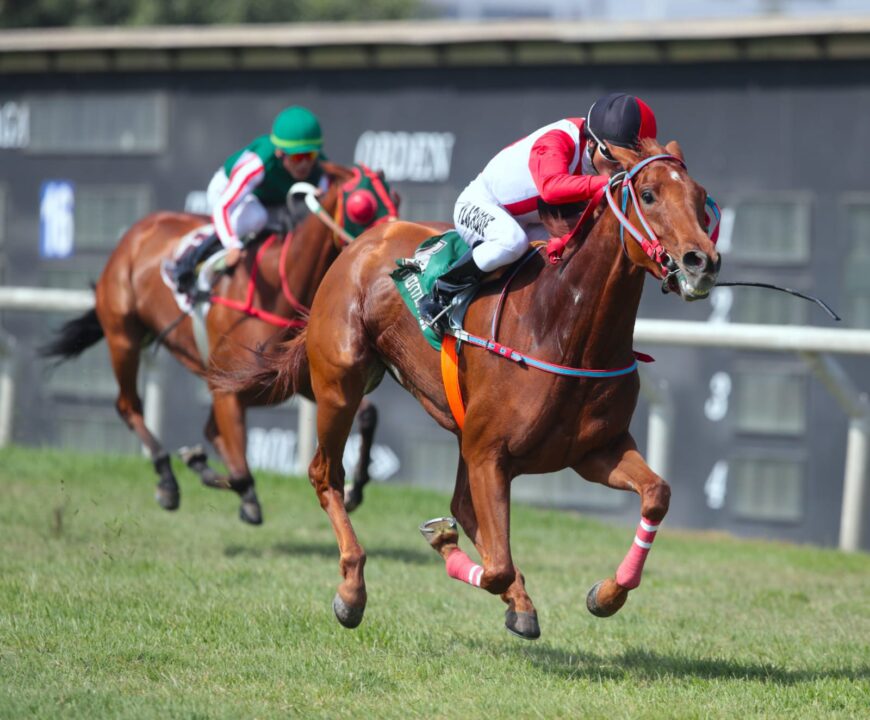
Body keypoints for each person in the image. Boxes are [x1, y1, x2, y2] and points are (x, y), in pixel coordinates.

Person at [417, 92, 658, 329]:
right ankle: (442, 292)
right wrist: (608, 183)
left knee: (578, 256)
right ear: (592, 142)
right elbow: (551, 188)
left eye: (628, 163)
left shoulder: (598, 154)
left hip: (532, 220)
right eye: (612, 158)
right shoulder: (558, 139)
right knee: (511, 242)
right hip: (481, 204)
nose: (618, 169)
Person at [168, 105, 329, 296]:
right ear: (280, 152)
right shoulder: (258, 163)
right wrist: (232, 246)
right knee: (256, 217)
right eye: (298, 156)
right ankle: (189, 261)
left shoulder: (321, 170)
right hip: (226, 193)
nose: (305, 164)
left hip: (267, 199)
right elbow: (223, 207)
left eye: (310, 155)